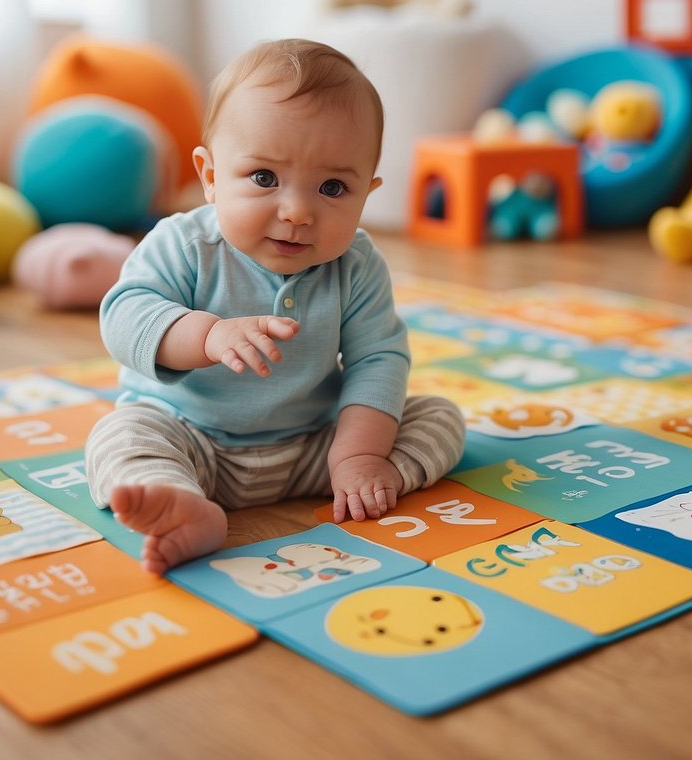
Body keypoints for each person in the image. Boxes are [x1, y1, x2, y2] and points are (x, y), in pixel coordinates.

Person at [85, 38, 466, 574]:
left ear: (367, 195)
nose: (296, 211)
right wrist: (206, 335)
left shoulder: (355, 265)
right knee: (121, 436)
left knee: (438, 417)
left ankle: (371, 481)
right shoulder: (186, 244)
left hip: (316, 449)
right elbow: (124, 316)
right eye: (264, 178)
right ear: (211, 176)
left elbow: (377, 360)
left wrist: (358, 455)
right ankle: (185, 506)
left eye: (332, 187)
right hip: (193, 438)